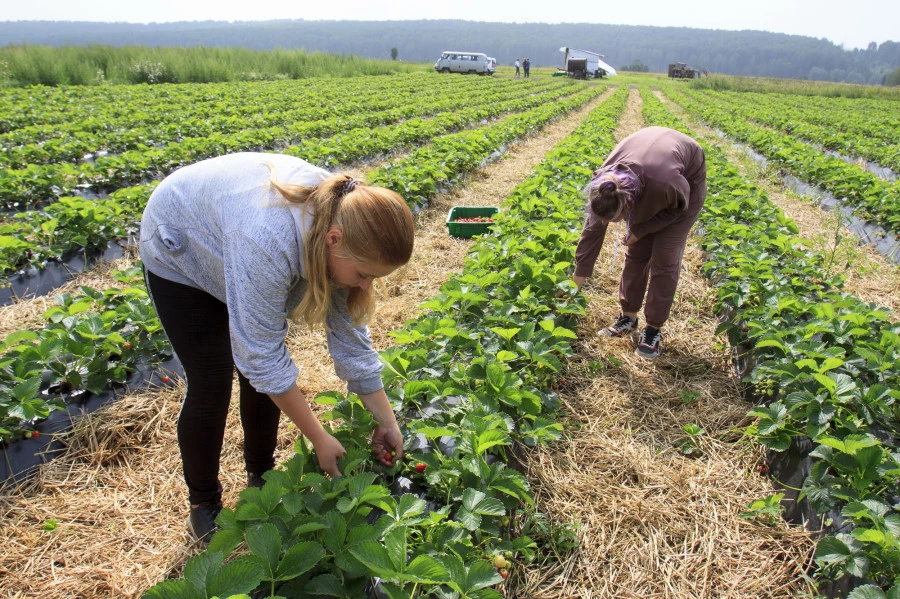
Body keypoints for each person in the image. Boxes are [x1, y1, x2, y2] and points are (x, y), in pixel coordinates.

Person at [139, 152, 415, 543]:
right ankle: (203, 503)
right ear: (333, 241)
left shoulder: (343, 224)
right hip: (183, 244)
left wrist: (386, 421)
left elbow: (351, 342)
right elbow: (262, 356)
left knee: (259, 381)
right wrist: (319, 437)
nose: (366, 285)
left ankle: (261, 476)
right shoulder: (266, 238)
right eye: (365, 274)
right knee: (212, 380)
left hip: (237, 235)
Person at [571, 126, 706, 359]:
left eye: (617, 220)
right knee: (636, 252)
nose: (614, 225)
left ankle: (653, 329)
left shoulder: (666, 185)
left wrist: (643, 228)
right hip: (651, 165)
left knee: (665, 258)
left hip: (684, 191)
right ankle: (628, 317)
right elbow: (592, 234)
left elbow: (676, 210)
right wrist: (574, 286)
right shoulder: (604, 186)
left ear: (629, 206)